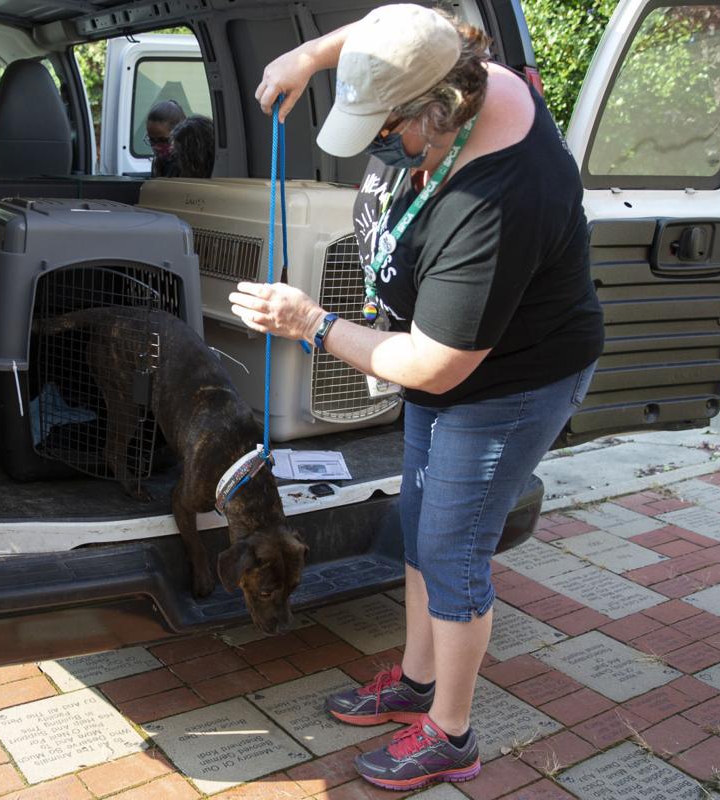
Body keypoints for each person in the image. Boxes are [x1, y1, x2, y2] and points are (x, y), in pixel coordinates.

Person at [228, 4, 603, 791]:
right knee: (417, 526)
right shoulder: (447, 65)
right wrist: (308, 55)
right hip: (442, 361)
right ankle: (416, 679)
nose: (377, 145)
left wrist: (311, 322)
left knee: (453, 549)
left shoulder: (500, 196)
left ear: (444, 110)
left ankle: (452, 731)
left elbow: (435, 366)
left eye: (388, 129)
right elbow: (390, 27)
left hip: (505, 383)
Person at [146, 99, 185, 176]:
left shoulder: (187, 165)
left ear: (180, 135)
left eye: (163, 140)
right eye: (152, 140)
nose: (156, 147)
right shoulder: (157, 161)